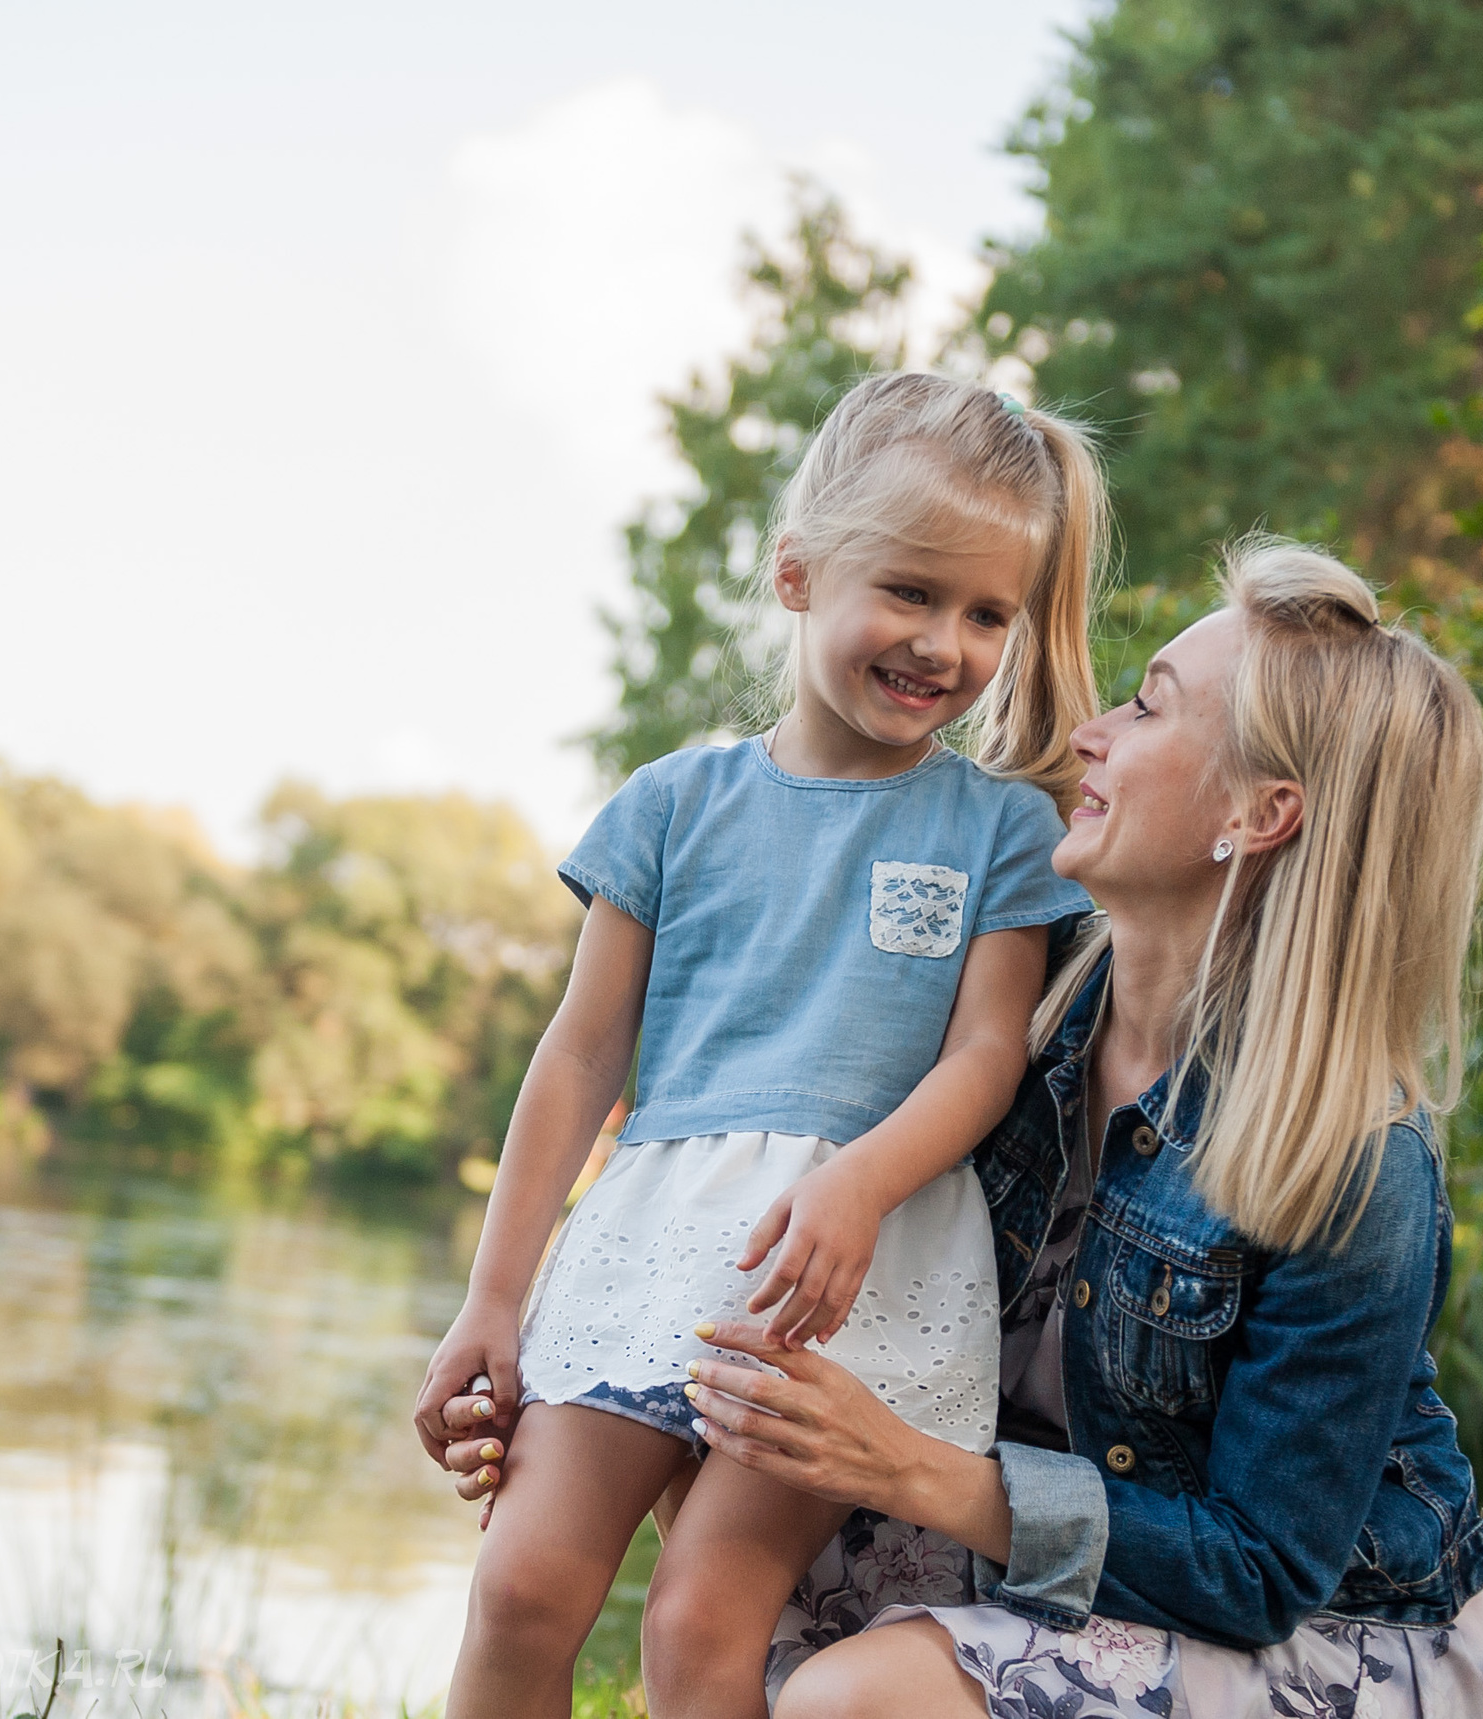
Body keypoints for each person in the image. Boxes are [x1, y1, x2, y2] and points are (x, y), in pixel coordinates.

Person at [433, 538, 1483, 1719]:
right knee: (731, 1505)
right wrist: (566, 1364)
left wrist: (910, 1469)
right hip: (1056, 1555)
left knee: (846, 1698)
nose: (1091, 733)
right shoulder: (1018, 1029)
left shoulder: (1357, 1166)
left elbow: (1256, 1573)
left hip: (1311, 1640)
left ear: (1258, 812)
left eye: (1148, 708)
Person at [412, 372, 1106, 1719]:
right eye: (908, 591)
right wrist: (492, 1296)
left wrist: (858, 1179)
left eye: (984, 614)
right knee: (520, 1588)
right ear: (797, 574)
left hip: (846, 1267)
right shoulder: (671, 805)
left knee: (701, 1619)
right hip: (649, 1238)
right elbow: (577, 1058)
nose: (943, 643)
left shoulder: (999, 830)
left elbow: (984, 1059)